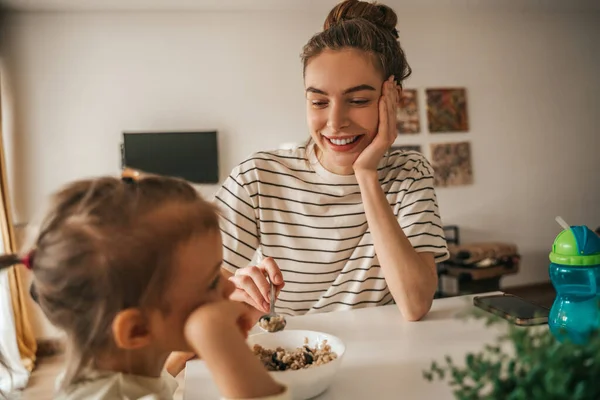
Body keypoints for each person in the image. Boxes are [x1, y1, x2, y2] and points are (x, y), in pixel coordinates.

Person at [217, 0, 449, 322]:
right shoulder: (256, 178)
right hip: (293, 358)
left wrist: (366, 173)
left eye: (358, 100)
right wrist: (237, 293)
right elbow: (204, 298)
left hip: (383, 358)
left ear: (394, 99)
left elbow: (415, 304)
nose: (335, 121)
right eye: (319, 101)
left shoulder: (409, 173)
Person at [0, 174, 288, 399]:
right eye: (212, 281)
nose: (229, 286)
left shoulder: (119, 374)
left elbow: (154, 380)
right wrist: (223, 344)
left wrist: (182, 353)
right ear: (137, 329)